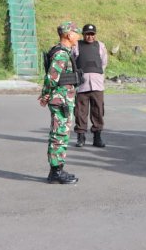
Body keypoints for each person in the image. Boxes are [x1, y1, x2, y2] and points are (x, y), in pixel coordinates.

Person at [38, 21, 82, 184]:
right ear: (69, 35)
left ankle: (58, 169)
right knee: (59, 134)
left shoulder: (64, 52)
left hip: (63, 98)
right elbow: (52, 77)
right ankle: (56, 172)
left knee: (61, 133)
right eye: (76, 33)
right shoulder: (61, 54)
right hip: (61, 100)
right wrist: (46, 94)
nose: (78, 37)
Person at [73, 23, 108, 148]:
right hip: (82, 84)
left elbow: (103, 62)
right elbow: (72, 61)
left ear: (95, 35)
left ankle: (97, 137)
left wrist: (98, 75)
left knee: (98, 111)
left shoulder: (101, 46)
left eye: (92, 34)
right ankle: (80, 136)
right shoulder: (76, 45)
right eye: (87, 34)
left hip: (97, 84)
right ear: (83, 35)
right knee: (80, 111)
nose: (90, 37)